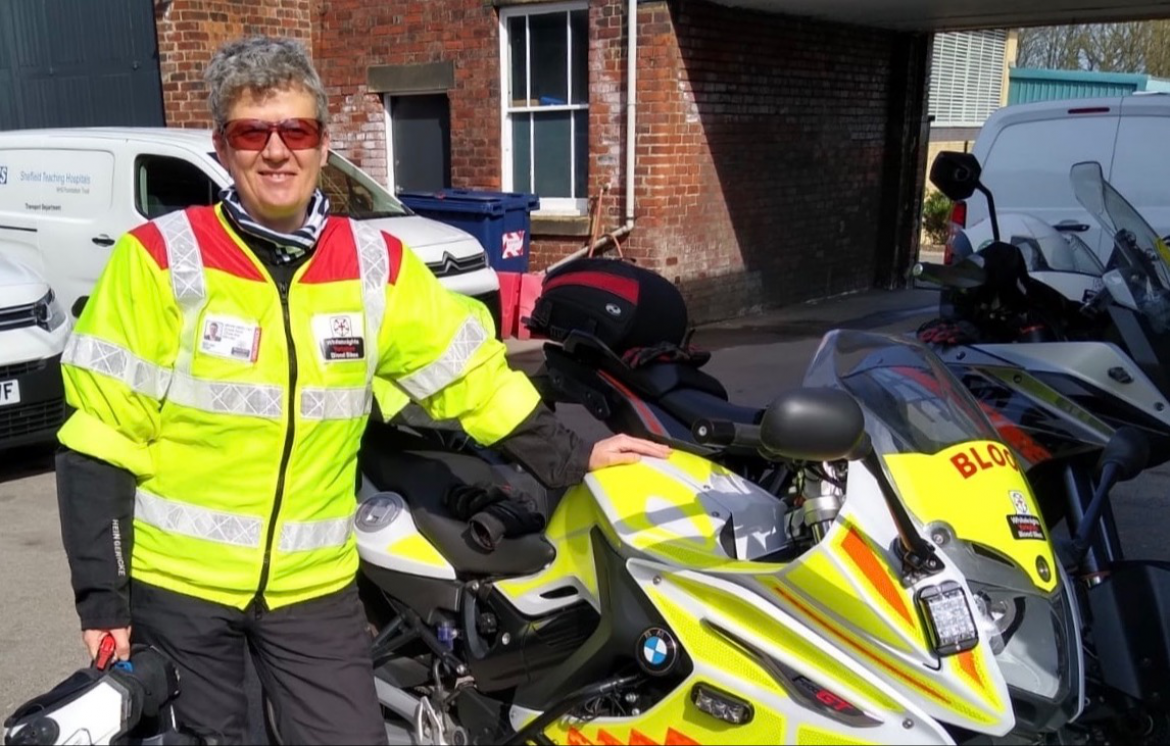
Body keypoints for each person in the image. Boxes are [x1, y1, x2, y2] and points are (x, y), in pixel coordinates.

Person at [54, 35, 669, 745]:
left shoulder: (376, 266)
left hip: (312, 589)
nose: (277, 151)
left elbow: (471, 379)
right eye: (254, 131)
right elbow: (99, 437)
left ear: (322, 145)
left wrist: (577, 456)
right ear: (223, 147)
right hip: (181, 590)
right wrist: (104, 601)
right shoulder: (159, 260)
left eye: (297, 130)